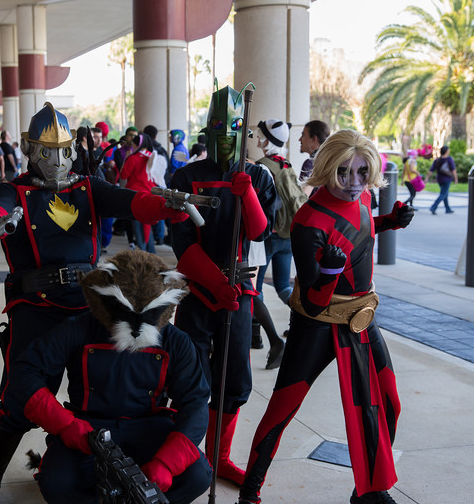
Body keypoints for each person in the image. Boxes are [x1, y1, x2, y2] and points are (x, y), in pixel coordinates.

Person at [0, 102, 189, 504]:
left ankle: (88, 460)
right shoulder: (15, 190)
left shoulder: (87, 187)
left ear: (72, 149)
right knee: (19, 397)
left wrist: (166, 206)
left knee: (102, 387)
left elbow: (132, 202)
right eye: (46, 150)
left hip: (89, 306)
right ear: (29, 148)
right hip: (35, 307)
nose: (56, 159)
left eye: (62, 150)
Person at [237, 129, 414, 504]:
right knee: (282, 410)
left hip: (361, 317)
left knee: (387, 401)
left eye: (362, 172)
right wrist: (331, 272)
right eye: (343, 172)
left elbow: (360, 227)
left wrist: (390, 221)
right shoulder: (308, 221)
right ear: (328, 168)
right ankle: (249, 494)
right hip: (316, 324)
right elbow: (315, 301)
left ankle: (369, 491)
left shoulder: (363, 197)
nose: (353, 182)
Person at [4, 250, 212, 504]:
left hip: (149, 426)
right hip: (87, 429)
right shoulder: (79, 328)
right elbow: (25, 371)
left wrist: (167, 463)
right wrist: (65, 424)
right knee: (56, 483)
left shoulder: (175, 341)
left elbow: (195, 402)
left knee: (198, 475)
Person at [170, 85, 278, 486]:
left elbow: (260, 232)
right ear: (208, 129)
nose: (226, 136)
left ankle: (219, 457)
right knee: (190, 377)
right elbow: (182, 244)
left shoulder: (258, 176)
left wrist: (247, 193)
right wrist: (216, 283)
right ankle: (185, 456)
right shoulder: (186, 177)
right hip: (200, 291)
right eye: (218, 127)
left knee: (234, 381)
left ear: (244, 132)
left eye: (233, 128)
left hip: (240, 294)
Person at [253, 118, 307, 369]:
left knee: (254, 288)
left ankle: (268, 340)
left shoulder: (262, 167)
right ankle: (307, 323)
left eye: (260, 136)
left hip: (269, 235)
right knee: (284, 286)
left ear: (267, 140)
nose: (257, 139)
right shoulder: (285, 163)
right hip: (288, 234)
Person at [297, 120, 330, 195]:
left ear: (314, 139)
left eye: (303, 135)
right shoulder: (330, 160)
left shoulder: (310, 163)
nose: (300, 139)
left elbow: (302, 197)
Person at [429, 145, 458, 214]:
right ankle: (433, 207)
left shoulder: (437, 160)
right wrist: (455, 178)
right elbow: (453, 170)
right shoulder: (449, 159)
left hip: (439, 179)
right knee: (443, 194)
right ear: (447, 151)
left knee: (445, 193)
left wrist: (427, 178)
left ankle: (447, 209)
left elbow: (431, 170)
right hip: (447, 179)